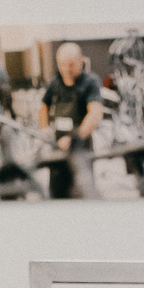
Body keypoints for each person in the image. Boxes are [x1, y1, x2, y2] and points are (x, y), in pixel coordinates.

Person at [40, 41, 105, 200]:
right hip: (58, 148)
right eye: (62, 65)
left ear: (81, 62)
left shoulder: (90, 83)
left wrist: (74, 137)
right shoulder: (55, 83)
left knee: (82, 192)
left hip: (80, 149)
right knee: (57, 193)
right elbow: (43, 107)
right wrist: (43, 129)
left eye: (70, 65)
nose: (66, 69)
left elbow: (95, 114)